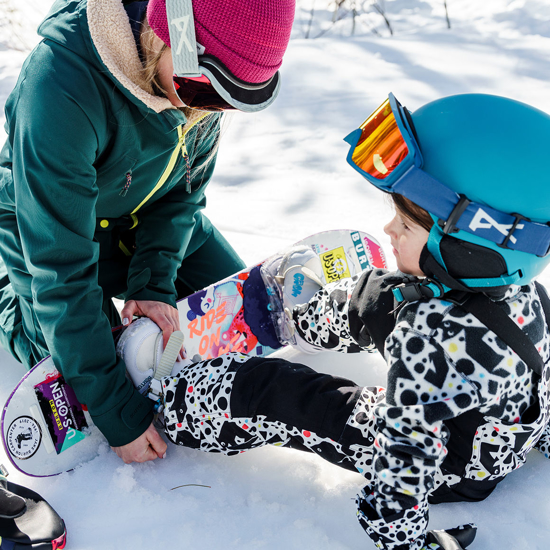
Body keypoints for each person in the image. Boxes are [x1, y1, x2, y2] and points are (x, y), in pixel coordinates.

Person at [118, 92, 550, 549]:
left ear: (470, 248)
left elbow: (405, 465)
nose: (389, 231)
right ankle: (308, 319)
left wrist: (405, 540)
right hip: (486, 430)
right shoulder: (522, 291)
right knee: (384, 294)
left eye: (405, 225)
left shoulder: (428, 341)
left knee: (286, 395)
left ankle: (181, 400)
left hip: (446, 466)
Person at [0, 0, 295, 465]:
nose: (206, 110)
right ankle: (11, 296)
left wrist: (153, 282)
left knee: (232, 317)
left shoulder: (197, 80)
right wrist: (118, 412)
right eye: (203, 92)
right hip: (49, 226)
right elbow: (62, 271)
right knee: (81, 360)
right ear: (170, 31)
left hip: (138, 212)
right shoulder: (59, 85)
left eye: (228, 100)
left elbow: (183, 193)